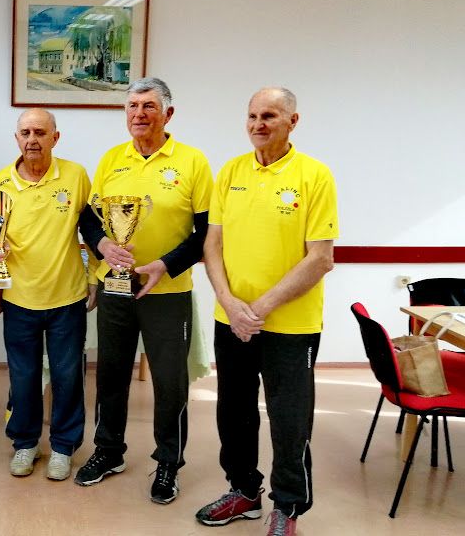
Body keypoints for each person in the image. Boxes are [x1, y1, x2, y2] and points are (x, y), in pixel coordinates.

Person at [195, 87, 338, 536]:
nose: (258, 124)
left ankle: (288, 507)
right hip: (231, 321)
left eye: (270, 116)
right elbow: (212, 244)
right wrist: (228, 302)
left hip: (291, 327)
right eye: (253, 115)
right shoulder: (231, 172)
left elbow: (321, 258)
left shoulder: (314, 176)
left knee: (289, 420)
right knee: (233, 414)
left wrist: (257, 309)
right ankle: (243, 491)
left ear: (293, 121)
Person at [75, 77, 213, 505]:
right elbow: (89, 218)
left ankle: (169, 462)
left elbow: (205, 234)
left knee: (170, 382)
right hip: (115, 286)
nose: (139, 114)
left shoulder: (193, 162)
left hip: (168, 292)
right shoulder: (112, 159)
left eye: (149, 106)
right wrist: (103, 245)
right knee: (110, 374)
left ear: (168, 113)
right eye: (132, 106)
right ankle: (108, 451)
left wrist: (165, 265)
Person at [0, 108, 96, 481]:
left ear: (55, 137)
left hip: (67, 298)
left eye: (39, 132)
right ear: (16, 138)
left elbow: (92, 228)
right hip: (20, 300)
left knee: (68, 377)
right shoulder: (1, 182)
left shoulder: (76, 175)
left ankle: (63, 447)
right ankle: (25, 443)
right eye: (25, 133)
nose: (32, 139)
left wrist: (95, 278)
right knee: (23, 378)